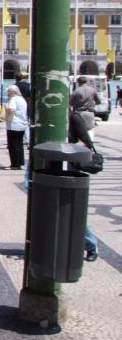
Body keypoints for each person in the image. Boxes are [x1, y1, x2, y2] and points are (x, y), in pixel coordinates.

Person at [67, 109, 100, 262]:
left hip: (69, 166)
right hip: (49, 165)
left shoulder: (73, 117)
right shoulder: (39, 115)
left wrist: (70, 146)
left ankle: (91, 245)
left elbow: (86, 142)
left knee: (73, 208)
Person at [3, 85, 28, 169]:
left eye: (9, 92)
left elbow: (12, 109)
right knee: (19, 145)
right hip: (22, 124)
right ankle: (20, 163)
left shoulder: (14, 99)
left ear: (13, 92)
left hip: (13, 125)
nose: (8, 94)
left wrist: (5, 106)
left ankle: (14, 164)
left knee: (13, 145)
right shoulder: (22, 99)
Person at [70, 76, 100, 142]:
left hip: (78, 114)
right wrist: (92, 104)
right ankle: (89, 146)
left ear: (78, 83)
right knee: (90, 129)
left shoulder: (76, 91)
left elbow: (71, 103)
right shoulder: (92, 90)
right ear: (86, 82)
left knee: (78, 130)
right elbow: (98, 101)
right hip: (89, 112)